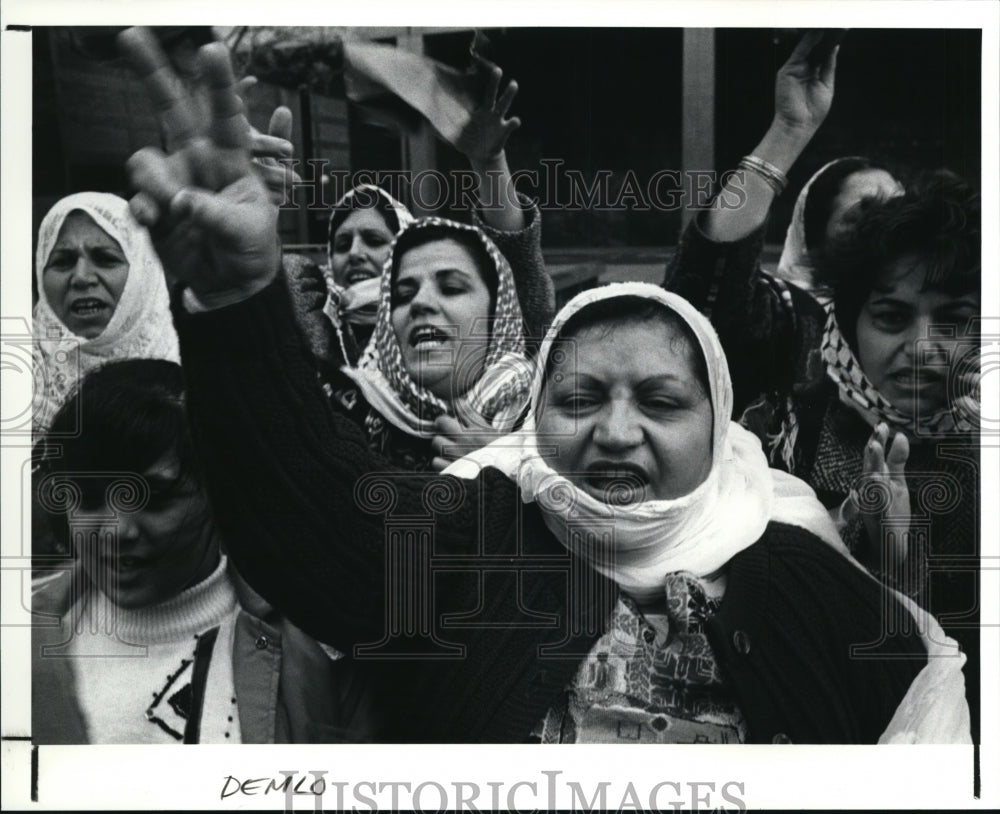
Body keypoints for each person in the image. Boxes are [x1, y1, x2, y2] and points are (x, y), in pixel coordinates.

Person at [117, 26, 970, 744]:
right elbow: (310, 529)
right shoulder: (477, 531)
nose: (616, 431)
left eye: (662, 402)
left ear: (724, 426)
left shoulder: (803, 571)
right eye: (579, 399)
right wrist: (237, 303)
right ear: (536, 419)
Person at [661, 32, 981, 737]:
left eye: (953, 322)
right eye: (892, 318)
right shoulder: (775, 440)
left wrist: (904, 580)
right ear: (844, 314)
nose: (924, 351)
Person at [32, 360, 376, 744]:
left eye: (154, 500)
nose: (117, 531)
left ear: (218, 494)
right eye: (90, 499)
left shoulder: (312, 651)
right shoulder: (26, 633)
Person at [32, 192, 179, 434]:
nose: (81, 278)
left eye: (105, 259)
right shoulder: (17, 376)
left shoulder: (193, 371)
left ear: (144, 272)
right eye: (62, 261)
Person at [775, 156, 903, 293]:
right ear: (817, 232)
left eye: (895, 210)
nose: (884, 227)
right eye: (859, 218)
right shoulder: (786, 306)